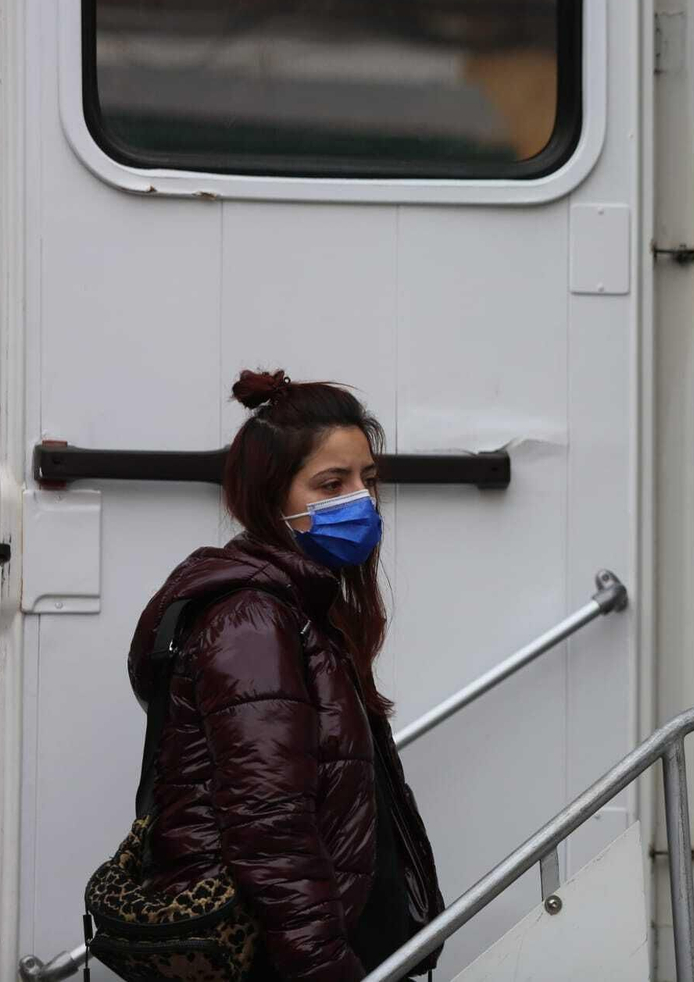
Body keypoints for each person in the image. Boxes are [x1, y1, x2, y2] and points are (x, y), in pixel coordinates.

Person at [126, 369, 445, 981]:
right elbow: (270, 833)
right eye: (332, 483)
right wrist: (326, 970)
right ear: (272, 498)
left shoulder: (298, 607)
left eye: (368, 481)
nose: (361, 501)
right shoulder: (253, 618)